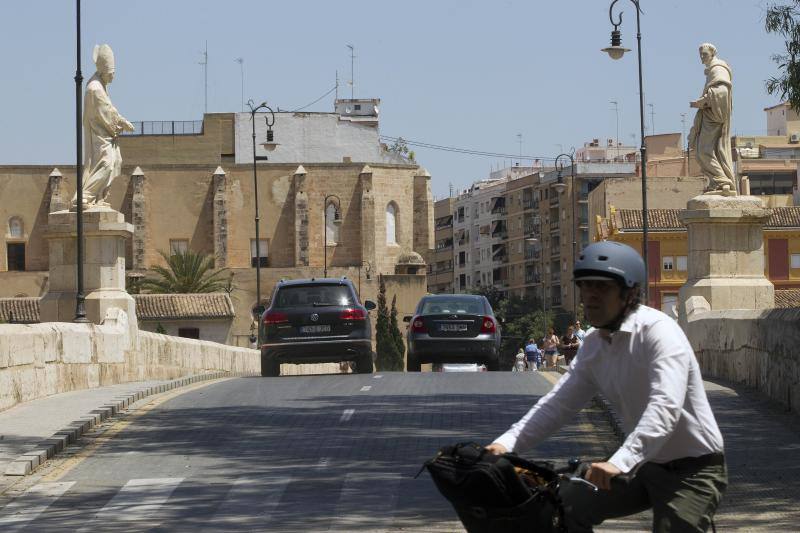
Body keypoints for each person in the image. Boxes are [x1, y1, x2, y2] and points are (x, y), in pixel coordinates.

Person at [485, 241, 726, 532]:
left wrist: (621, 461)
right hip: (642, 461)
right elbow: (557, 404)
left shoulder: (658, 332)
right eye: (585, 286)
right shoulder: (595, 346)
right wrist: (504, 444)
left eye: (602, 287)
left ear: (630, 293)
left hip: (692, 467)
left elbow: (665, 407)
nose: (590, 296)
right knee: (560, 505)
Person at [71, 44, 135, 208]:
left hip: (104, 134)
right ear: (103, 71)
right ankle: (84, 197)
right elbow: (105, 113)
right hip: (99, 135)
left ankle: (98, 197)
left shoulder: (100, 84)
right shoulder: (95, 89)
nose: (113, 77)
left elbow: (109, 109)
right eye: (111, 74)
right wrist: (120, 124)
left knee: (114, 162)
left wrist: (122, 120)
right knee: (106, 163)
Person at [688, 42, 736, 195]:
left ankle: (723, 181)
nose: (702, 57)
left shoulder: (718, 69)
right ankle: (718, 182)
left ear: (713, 54)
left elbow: (721, 92)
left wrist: (703, 102)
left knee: (703, 151)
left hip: (713, 117)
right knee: (706, 151)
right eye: (701, 54)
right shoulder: (712, 71)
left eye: (705, 54)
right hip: (709, 116)